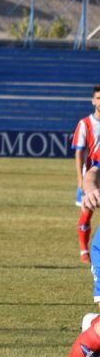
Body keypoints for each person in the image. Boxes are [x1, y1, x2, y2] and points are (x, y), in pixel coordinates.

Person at [73, 87, 100, 263]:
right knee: (87, 214)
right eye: (98, 98)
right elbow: (79, 152)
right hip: (91, 174)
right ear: (93, 101)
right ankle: (84, 251)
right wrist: (80, 180)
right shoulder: (85, 123)